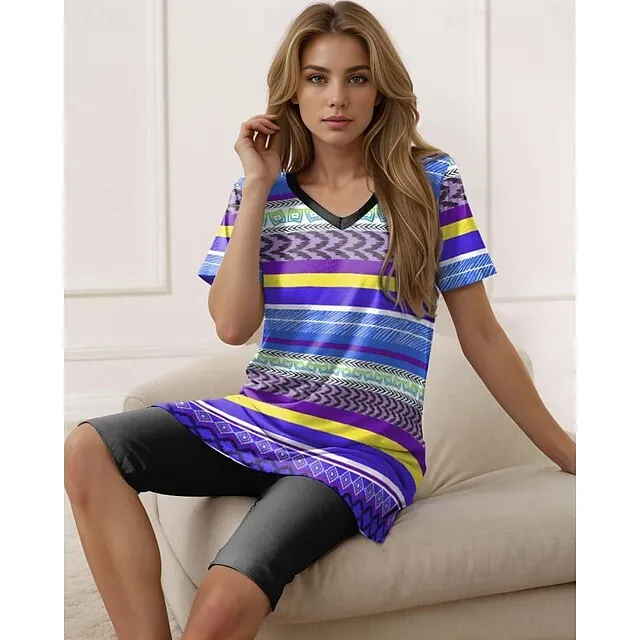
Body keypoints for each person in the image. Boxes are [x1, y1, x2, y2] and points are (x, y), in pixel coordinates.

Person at [64, 1, 577, 638]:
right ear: (294, 91)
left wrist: (568, 453)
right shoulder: (260, 193)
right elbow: (232, 326)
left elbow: (482, 335)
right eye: (317, 78)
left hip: (363, 450)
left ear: (380, 89)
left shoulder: (429, 184)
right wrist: (258, 184)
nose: (337, 97)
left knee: (224, 599)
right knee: (87, 449)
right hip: (265, 420)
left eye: (357, 78)